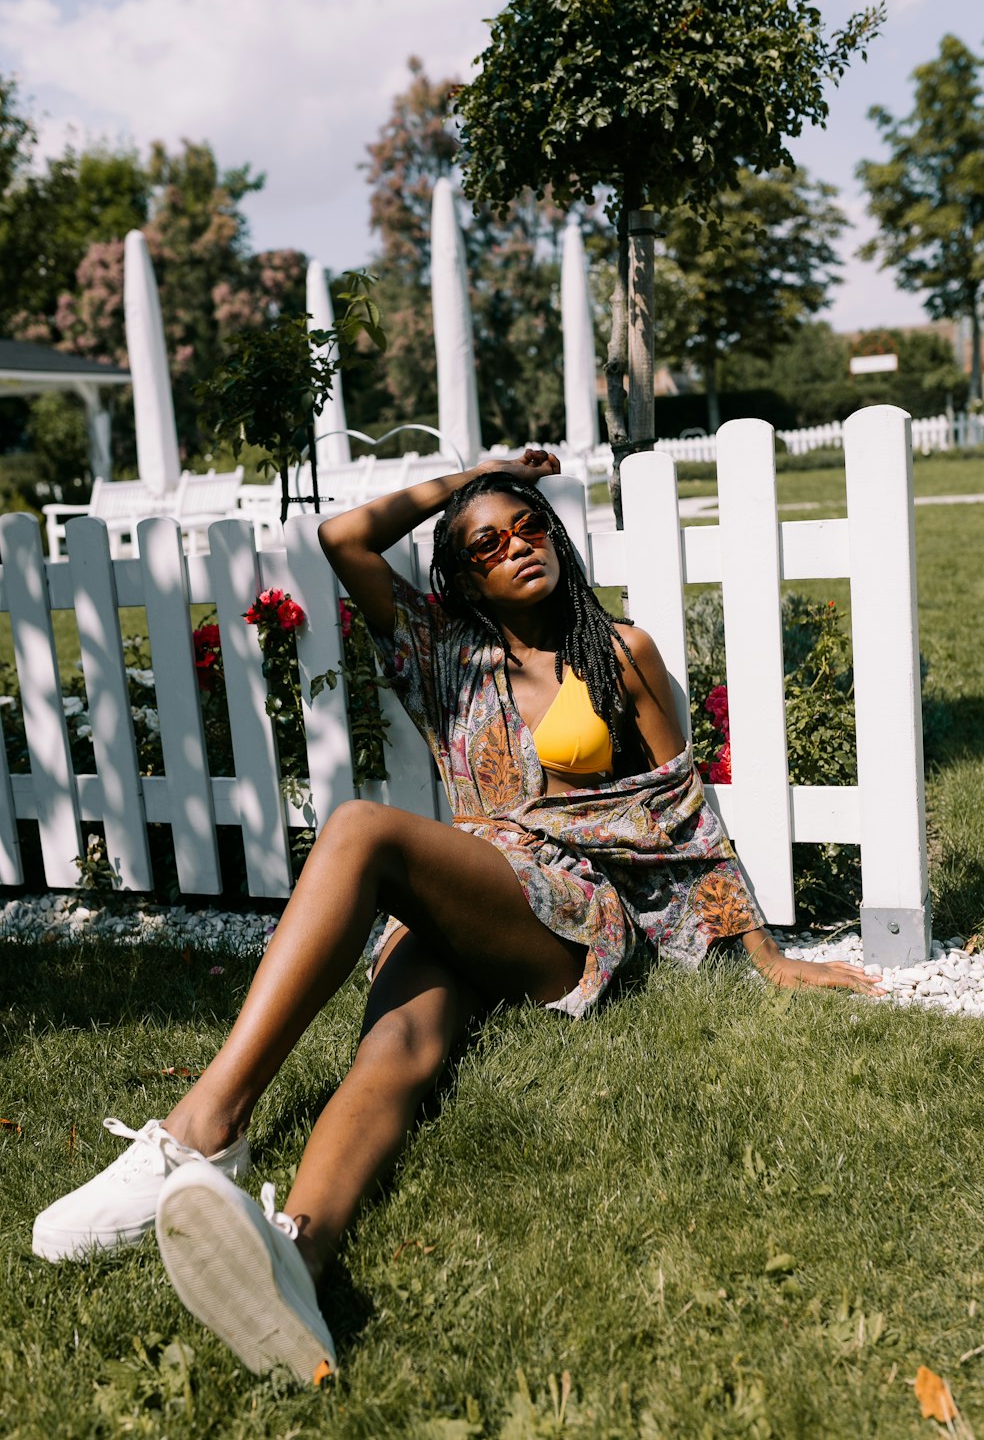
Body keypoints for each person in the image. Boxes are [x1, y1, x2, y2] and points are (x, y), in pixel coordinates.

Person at [32, 450, 882, 1384]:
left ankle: (203, 1129)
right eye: (488, 544)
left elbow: (682, 812)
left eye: (530, 529)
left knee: (358, 830)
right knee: (393, 1055)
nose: (518, 547)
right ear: (462, 572)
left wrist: (762, 950)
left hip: (567, 909)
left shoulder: (620, 651)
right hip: (468, 891)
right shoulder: (443, 654)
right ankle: (295, 1265)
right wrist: (468, 479)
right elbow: (341, 537)